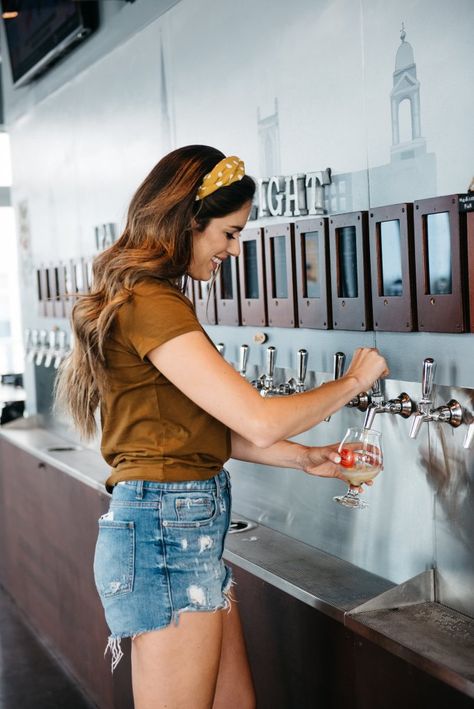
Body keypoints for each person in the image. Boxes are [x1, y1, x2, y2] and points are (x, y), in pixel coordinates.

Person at [55, 145, 388, 709]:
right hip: (166, 529)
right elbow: (256, 418)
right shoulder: (151, 302)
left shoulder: (152, 299)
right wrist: (355, 381)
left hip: (185, 522)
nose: (234, 250)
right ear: (189, 220)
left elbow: (199, 432)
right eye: (230, 233)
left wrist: (305, 458)